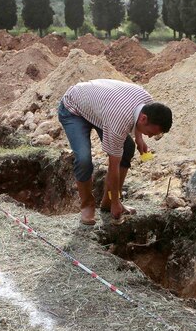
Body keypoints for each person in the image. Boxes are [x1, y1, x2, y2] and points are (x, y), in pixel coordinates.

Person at [58, 79, 172, 226]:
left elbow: (136, 120)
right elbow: (113, 165)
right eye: (150, 133)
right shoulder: (119, 120)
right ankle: (88, 205)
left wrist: (139, 138)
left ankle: (108, 201)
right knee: (84, 159)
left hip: (99, 109)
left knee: (128, 148)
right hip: (73, 109)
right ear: (144, 119)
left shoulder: (147, 103)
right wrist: (117, 202)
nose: (149, 136)